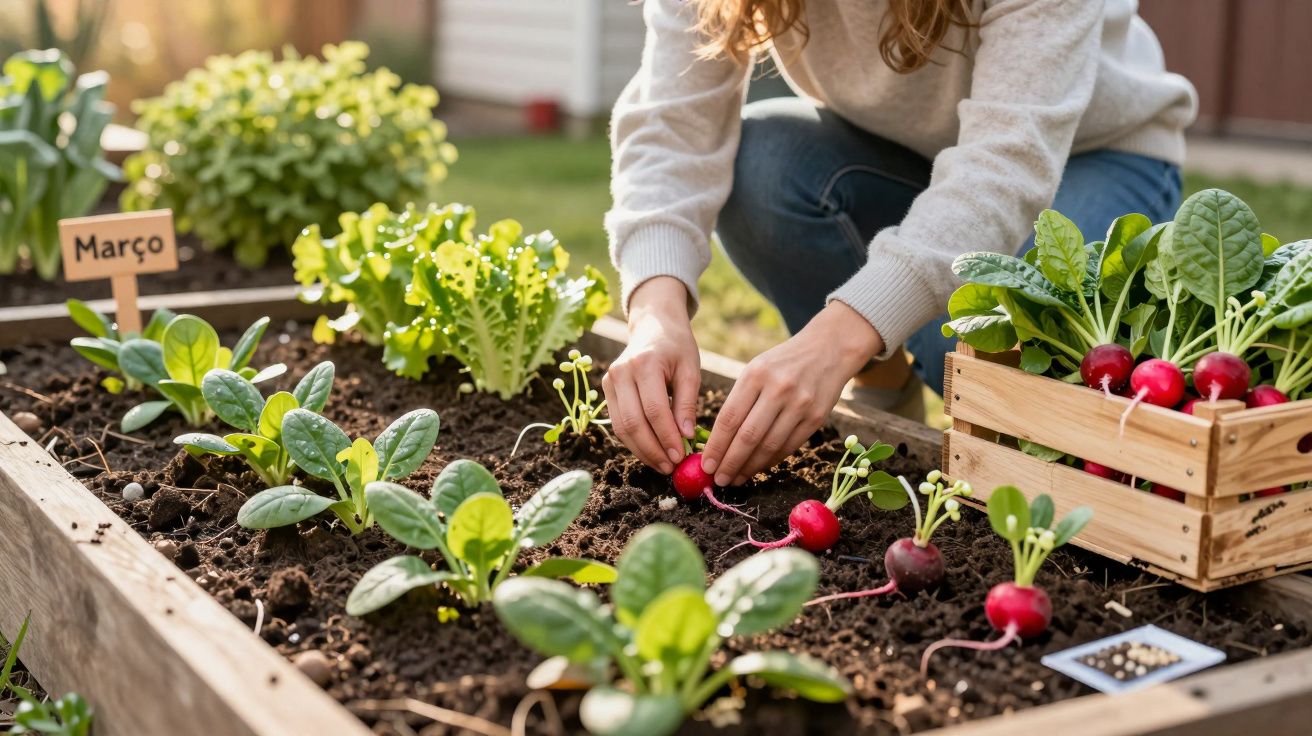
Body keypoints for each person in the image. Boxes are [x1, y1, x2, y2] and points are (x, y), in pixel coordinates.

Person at [601, 0, 1196, 488]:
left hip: (1090, 155)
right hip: (901, 153)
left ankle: (882, 358)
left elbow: (1005, 165)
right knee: (766, 165)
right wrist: (655, 312)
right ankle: (883, 383)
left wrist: (834, 340)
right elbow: (671, 123)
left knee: (973, 347)